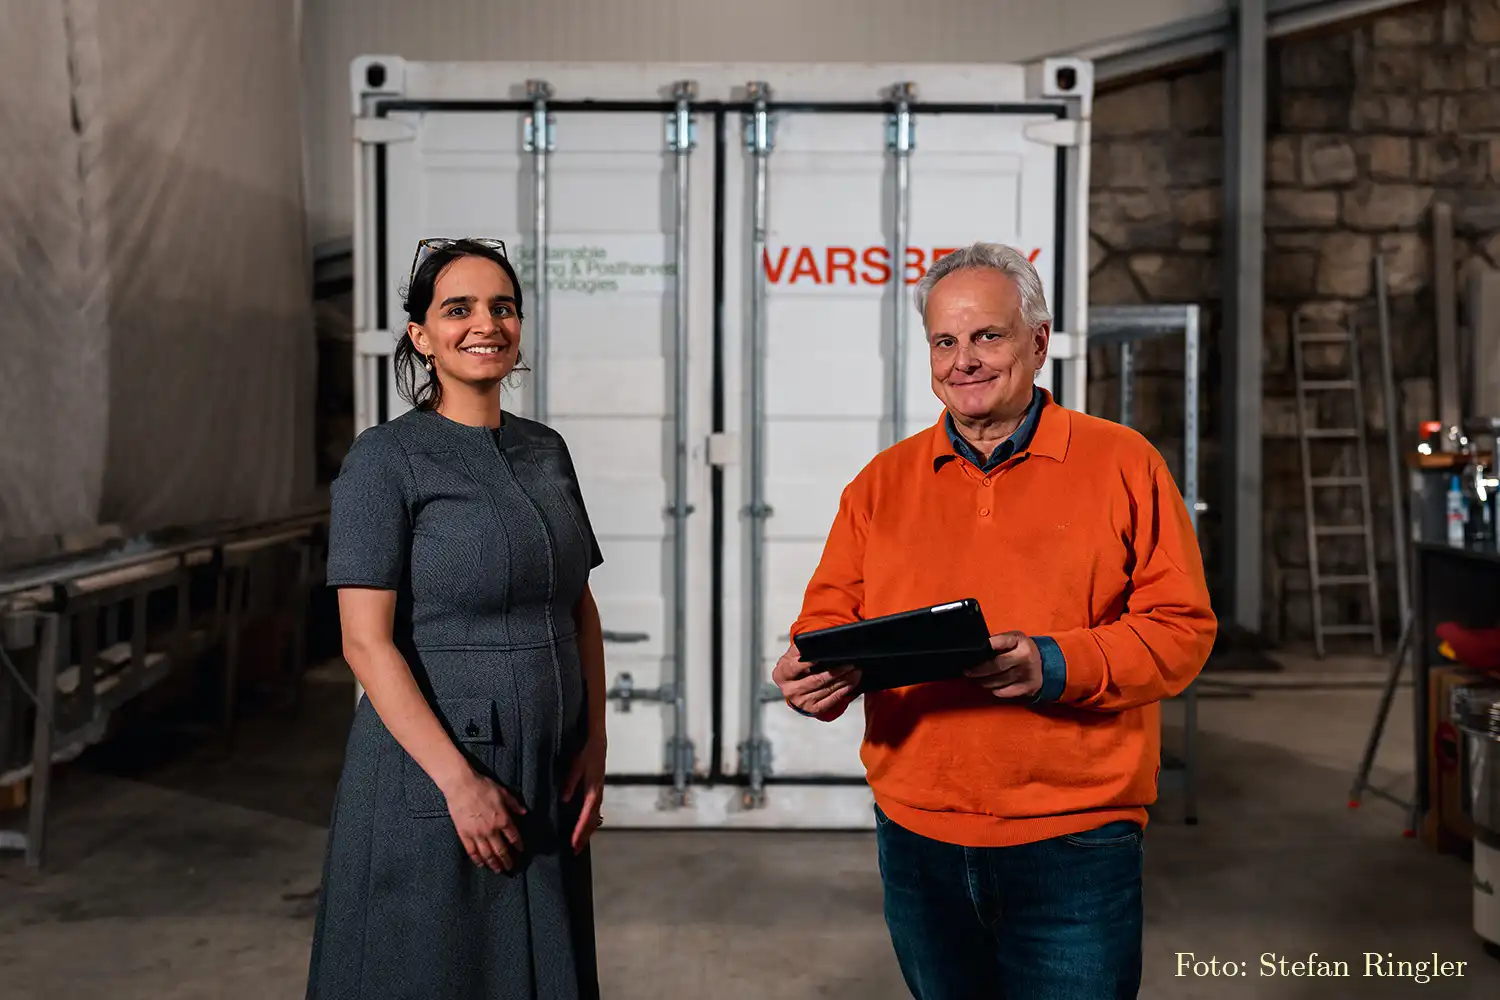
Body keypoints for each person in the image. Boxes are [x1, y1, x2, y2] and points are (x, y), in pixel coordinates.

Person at [771, 241, 1217, 999]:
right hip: (917, 837)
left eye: (988, 336)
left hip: (1076, 839)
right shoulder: (881, 483)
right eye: (945, 341)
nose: (963, 361)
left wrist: (1056, 664)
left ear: (1037, 342)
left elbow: (1181, 630)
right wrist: (809, 669)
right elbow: (829, 613)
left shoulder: (1123, 464)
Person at [305, 238, 607, 1000]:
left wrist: (595, 743)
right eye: (459, 308)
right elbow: (364, 642)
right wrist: (458, 784)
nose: (487, 324)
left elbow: (578, 605)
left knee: (539, 972)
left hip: (546, 765)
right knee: (436, 973)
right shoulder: (387, 460)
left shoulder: (547, 450)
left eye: (503, 307)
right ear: (422, 335)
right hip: (439, 773)